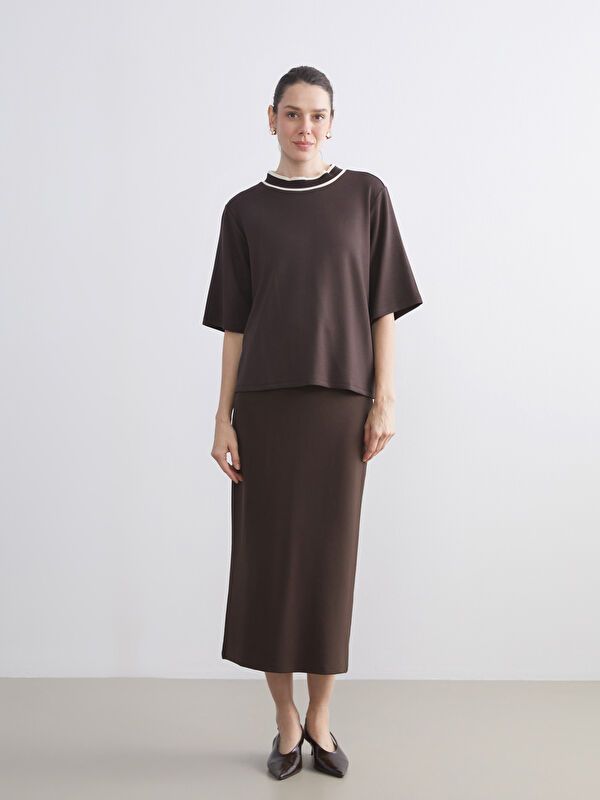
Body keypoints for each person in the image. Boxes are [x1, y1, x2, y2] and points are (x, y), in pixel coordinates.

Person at [201, 65, 423, 780]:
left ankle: (321, 719)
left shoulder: (365, 196)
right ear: (271, 118)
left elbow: (382, 308)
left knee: (329, 565)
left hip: (339, 408)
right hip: (264, 409)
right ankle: (285, 721)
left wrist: (385, 397)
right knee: (268, 565)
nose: (305, 127)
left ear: (333, 122)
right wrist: (222, 417)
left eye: (318, 115)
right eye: (292, 113)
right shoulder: (244, 212)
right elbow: (234, 326)